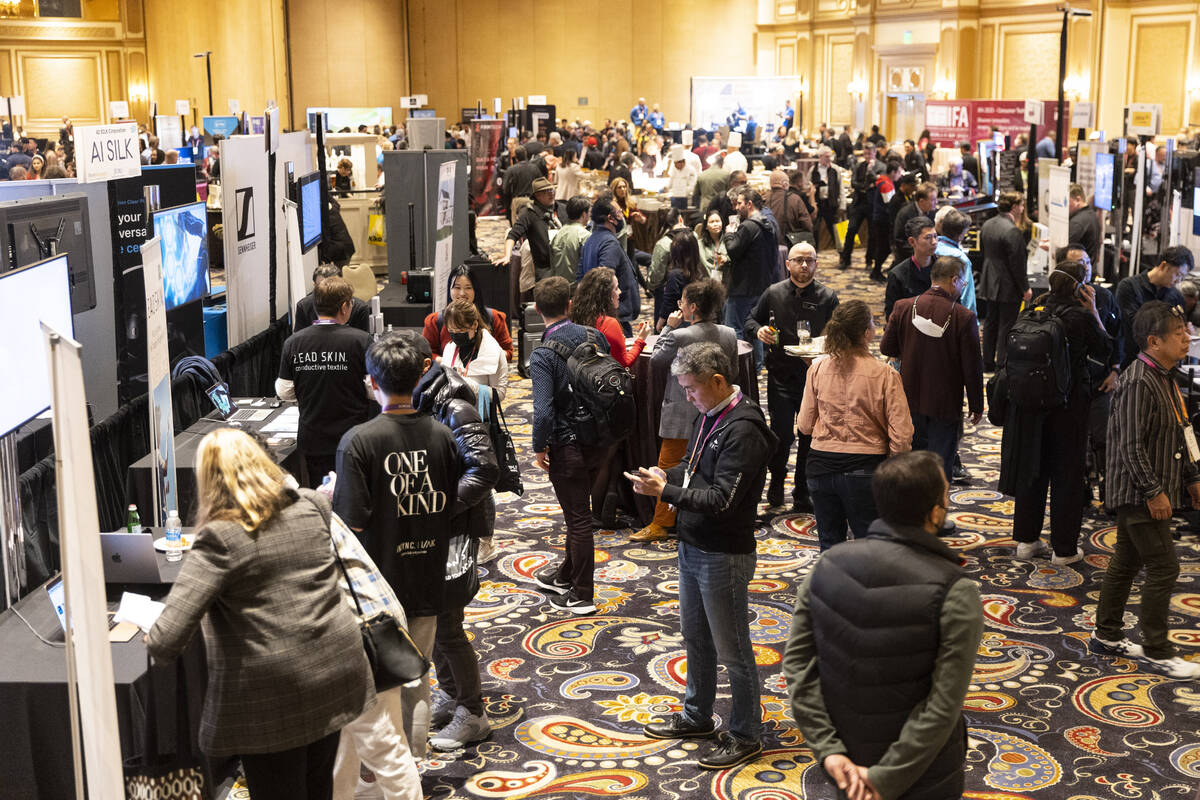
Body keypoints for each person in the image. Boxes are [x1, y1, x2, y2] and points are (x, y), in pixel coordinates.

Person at [147, 428, 372, 800]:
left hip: (274, 697)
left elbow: (166, 640)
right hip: (336, 669)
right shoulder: (312, 503)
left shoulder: (221, 536)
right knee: (318, 788)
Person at [783, 450, 984, 800]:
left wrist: (828, 750)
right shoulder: (956, 590)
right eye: (947, 495)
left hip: (844, 763)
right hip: (924, 775)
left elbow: (798, 667)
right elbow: (942, 706)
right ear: (935, 511)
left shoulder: (826, 564)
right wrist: (883, 778)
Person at [334, 334, 494, 758]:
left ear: (372, 381)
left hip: (380, 584)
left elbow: (350, 522)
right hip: (430, 572)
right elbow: (452, 497)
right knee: (418, 672)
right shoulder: (442, 435)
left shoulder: (358, 441)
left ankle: (390, 764)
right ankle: (414, 763)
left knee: (381, 682)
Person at [628, 342, 775, 769]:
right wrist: (664, 475)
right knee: (696, 639)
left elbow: (721, 499)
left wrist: (667, 493)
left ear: (717, 381)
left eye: (691, 389)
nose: (687, 397)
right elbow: (696, 470)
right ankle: (696, 716)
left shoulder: (743, 427)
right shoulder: (712, 414)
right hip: (694, 544)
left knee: (733, 650)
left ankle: (746, 733)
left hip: (722, 554)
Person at [1090, 301, 1200, 679]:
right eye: (1179, 334)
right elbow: (1129, 445)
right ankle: (1157, 648)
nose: (1188, 338)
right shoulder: (1139, 379)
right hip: (1137, 491)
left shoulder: (1165, 375)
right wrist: (1154, 492)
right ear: (1154, 341)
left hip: (1154, 487)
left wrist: (1192, 478)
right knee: (1165, 567)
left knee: (1126, 561)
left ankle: (1106, 635)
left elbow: (1181, 432)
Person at [1001, 260, 1110, 565]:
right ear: (1079, 286)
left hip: (1029, 406)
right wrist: (1095, 312)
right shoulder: (1079, 317)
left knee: (1031, 470)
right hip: (1068, 406)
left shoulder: (1033, 309)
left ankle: (1026, 540)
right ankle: (1063, 549)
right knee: (1067, 475)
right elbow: (1105, 349)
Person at [322, 502, 423, 800]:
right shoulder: (306, 504)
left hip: (362, 635)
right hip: (371, 621)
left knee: (385, 746)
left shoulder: (294, 516)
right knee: (344, 744)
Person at [798, 301, 912, 550]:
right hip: (866, 471)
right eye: (872, 322)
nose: (874, 326)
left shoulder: (817, 368)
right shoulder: (886, 374)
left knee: (829, 547)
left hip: (820, 468)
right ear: (866, 333)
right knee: (871, 549)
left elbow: (804, 426)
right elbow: (902, 436)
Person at [529, 276, 612, 614]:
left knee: (578, 518)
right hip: (602, 440)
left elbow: (543, 412)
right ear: (570, 305)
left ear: (536, 310)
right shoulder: (596, 335)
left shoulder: (542, 355)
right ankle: (565, 575)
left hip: (568, 444)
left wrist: (539, 447)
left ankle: (581, 594)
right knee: (577, 512)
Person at [633, 279, 738, 542]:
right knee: (709, 469)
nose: (680, 306)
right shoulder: (729, 333)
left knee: (666, 468)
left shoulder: (680, 335)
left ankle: (660, 524)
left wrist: (669, 326)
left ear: (691, 307)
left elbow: (656, 359)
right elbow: (733, 371)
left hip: (681, 411)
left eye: (682, 302)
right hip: (718, 412)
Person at [745, 242, 839, 512]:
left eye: (810, 260)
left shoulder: (827, 297)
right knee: (781, 436)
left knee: (810, 436)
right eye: (798, 260)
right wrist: (759, 330)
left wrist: (826, 347)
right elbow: (750, 321)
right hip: (781, 378)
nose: (804, 266)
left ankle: (802, 489)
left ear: (816, 263)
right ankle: (776, 480)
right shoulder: (773, 293)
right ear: (788, 264)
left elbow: (841, 334)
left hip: (816, 379)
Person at [880, 256, 984, 481]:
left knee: (912, 462)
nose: (962, 288)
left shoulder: (904, 307)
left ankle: (911, 510)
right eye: (963, 284)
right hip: (945, 403)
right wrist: (976, 404)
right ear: (954, 280)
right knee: (940, 466)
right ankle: (935, 511)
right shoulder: (964, 317)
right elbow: (972, 367)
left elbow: (887, 346)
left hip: (908, 397)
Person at [276, 277, 373, 486]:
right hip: (353, 439)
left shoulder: (293, 342)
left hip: (313, 439)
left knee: (319, 496)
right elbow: (373, 389)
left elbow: (284, 391)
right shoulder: (361, 341)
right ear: (345, 306)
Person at [722, 186, 778, 368]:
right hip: (761, 286)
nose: (736, 207)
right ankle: (756, 366)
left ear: (749, 204)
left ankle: (738, 366)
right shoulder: (769, 223)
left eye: (739, 203)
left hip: (742, 288)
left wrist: (729, 234)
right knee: (756, 328)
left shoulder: (748, 226)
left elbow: (732, 251)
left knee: (734, 329)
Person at [979, 191, 1032, 372]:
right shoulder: (1012, 230)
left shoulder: (987, 224)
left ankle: (987, 362)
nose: (1023, 209)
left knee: (990, 322)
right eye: (1022, 205)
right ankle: (1002, 364)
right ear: (1015, 207)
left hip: (989, 280)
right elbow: (1017, 264)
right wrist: (1025, 288)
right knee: (1006, 324)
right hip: (1007, 284)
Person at [1114, 246, 1192, 367]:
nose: (1179, 281)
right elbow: (1135, 325)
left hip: (1164, 364)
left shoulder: (1176, 297)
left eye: (1182, 277)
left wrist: (1184, 330)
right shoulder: (1129, 287)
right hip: (1131, 360)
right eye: (1177, 275)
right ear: (1164, 266)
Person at [422, 263, 514, 361]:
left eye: (468, 288)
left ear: (476, 290)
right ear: (449, 289)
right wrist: (448, 362)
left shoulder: (494, 317)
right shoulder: (435, 320)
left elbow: (508, 352)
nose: (462, 293)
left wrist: (488, 357)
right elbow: (426, 354)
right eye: (457, 287)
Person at [579, 194, 642, 336]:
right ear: (610, 218)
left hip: (602, 316)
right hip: (614, 317)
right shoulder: (609, 243)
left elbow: (580, 275)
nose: (622, 216)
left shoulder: (591, 239)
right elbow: (606, 280)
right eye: (619, 212)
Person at [571, 266, 650, 366]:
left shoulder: (575, 315)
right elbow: (624, 363)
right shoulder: (608, 323)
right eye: (616, 288)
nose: (620, 292)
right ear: (605, 294)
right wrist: (641, 339)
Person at [440, 299, 508, 403]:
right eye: (451, 331)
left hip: (480, 415)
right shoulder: (450, 348)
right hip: (452, 414)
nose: (456, 335)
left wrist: (469, 385)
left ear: (475, 325)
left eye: (461, 330)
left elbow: (499, 394)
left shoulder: (492, 350)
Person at [497, 177, 559, 281]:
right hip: (545, 269)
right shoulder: (529, 214)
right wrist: (507, 256)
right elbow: (513, 235)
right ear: (537, 195)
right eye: (546, 191)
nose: (551, 193)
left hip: (563, 264)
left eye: (552, 190)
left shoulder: (561, 208)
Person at [884, 216, 938, 321]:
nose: (934, 242)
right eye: (928, 238)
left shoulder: (944, 269)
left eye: (935, 236)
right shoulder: (898, 275)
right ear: (912, 242)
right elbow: (891, 316)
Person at [294, 264, 371, 334]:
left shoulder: (359, 308)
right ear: (314, 286)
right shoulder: (303, 306)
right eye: (322, 287)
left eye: (333, 287)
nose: (328, 293)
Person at [659, 230, 707, 332]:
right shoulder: (701, 271)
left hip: (679, 320)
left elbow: (669, 301)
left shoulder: (675, 275)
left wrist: (660, 321)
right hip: (698, 319)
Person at [839, 142, 877, 269]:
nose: (867, 156)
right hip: (859, 203)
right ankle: (846, 259)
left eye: (869, 153)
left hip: (873, 205)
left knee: (873, 235)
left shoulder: (881, 166)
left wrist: (871, 172)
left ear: (874, 153)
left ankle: (869, 261)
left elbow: (877, 182)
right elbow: (853, 183)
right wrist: (865, 187)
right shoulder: (859, 166)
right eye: (865, 153)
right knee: (851, 230)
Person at [934, 208, 977, 314]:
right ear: (961, 234)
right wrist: (973, 322)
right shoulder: (961, 259)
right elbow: (967, 296)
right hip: (952, 311)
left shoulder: (932, 248)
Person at [549, 195, 591, 287]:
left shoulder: (558, 234)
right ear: (584, 214)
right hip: (577, 289)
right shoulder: (585, 236)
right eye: (589, 212)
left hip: (558, 287)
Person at [766, 169, 814, 249]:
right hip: (791, 247)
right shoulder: (795, 199)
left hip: (768, 246)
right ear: (785, 184)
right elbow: (807, 224)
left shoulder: (763, 199)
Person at [892, 182, 936, 266]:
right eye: (933, 200)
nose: (936, 202)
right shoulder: (905, 213)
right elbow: (899, 240)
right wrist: (919, 251)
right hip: (907, 257)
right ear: (922, 201)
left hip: (926, 255)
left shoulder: (932, 212)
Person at [809, 147, 841, 252]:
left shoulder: (835, 169)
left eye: (830, 156)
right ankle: (814, 252)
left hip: (831, 204)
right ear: (820, 157)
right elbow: (808, 186)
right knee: (815, 229)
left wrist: (842, 204)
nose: (829, 159)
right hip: (817, 204)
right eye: (827, 156)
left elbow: (840, 188)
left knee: (835, 229)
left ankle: (842, 254)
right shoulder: (813, 170)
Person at [1067, 183, 1102, 268]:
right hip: (1088, 271)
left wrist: (1051, 248)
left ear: (1078, 200)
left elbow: (1064, 252)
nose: (1065, 206)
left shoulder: (1078, 222)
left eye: (1067, 201)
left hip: (1080, 274)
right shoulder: (1091, 215)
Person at [695, 209, 727, 279]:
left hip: (727, 281)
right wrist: (716, 265)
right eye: (712, 222)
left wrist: (727, 259)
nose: (715, 224)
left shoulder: (728, 241)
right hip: (706, 281)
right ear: (706, 226)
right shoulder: (699, 244)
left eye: (718, 221)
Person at [666, 144, 698, 211]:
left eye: (676, 164)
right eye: (674, 163)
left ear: (682, 162)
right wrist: (667, 188)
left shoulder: (691, 170)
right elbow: (671, 181)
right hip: (674, 197)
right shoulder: (674, 169)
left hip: (686, 198)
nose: (675, 166)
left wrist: (681, 191)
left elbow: (692, 186)